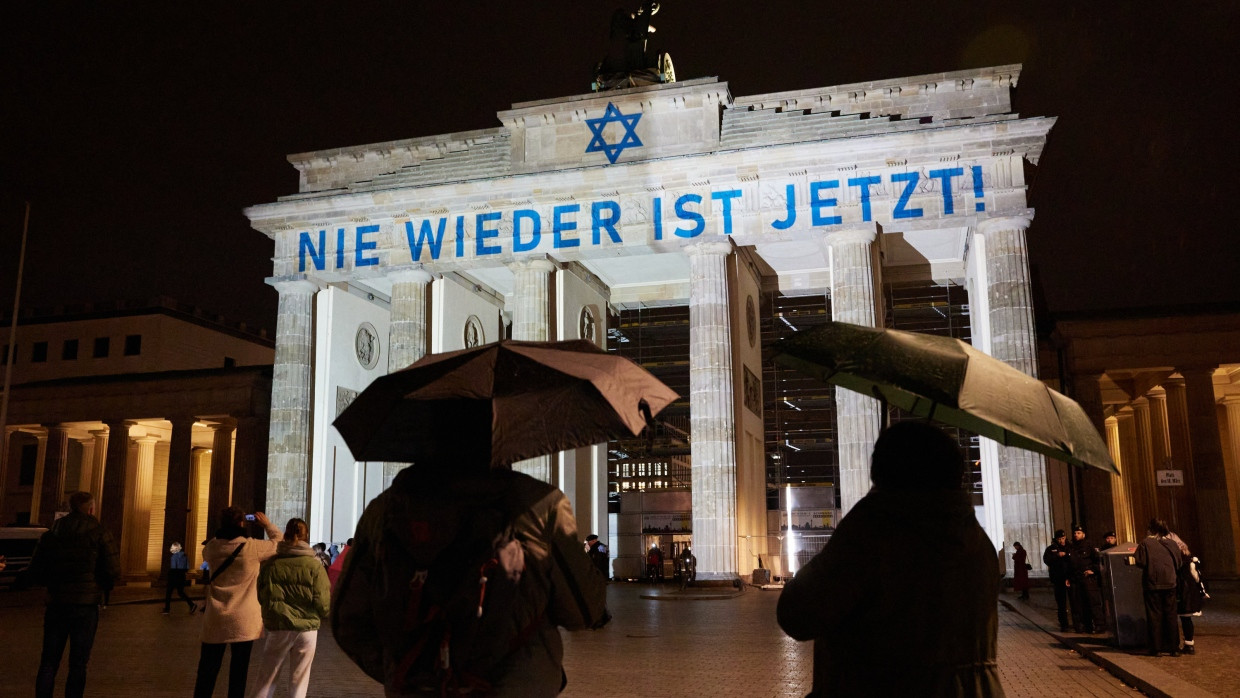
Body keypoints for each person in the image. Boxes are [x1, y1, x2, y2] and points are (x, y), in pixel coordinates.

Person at [333, 464, 609, 696]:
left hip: (417, 687)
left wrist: (405, 667)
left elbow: (346, 620)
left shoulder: (387, 509)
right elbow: (583, 610)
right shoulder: (539, 504)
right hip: (516, 686)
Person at [776, 422, 1004, 697]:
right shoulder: (980, 544)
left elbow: (797, 614)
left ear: (883, 470)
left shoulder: (873, 532)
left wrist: (859, 520)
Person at [28, 491, 120, 698]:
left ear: (70, 508)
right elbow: (113, 571)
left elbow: (35, 571)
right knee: (78, 663)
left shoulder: (51, 535)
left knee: (49, 661)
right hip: (85, 606)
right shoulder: (100, 533)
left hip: (57, 603)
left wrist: (54, 583)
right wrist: (99, 585)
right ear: (91, 509)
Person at [194, 507, 283, 698]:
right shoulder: (252, 547)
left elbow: (209, 550)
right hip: (243, 617)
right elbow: (279, 542)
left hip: (216, 616)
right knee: (239, 671)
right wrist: (267, 525)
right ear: (242, 523)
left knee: (207, 670)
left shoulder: (211, 548)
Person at [251, 518, 330, 698]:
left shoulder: (271, 564)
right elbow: (323, 603)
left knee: (267, 678)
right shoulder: (314, 567)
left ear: (285, 534)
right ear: (306, 536)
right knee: (299, 680)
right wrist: (321, 613)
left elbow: (261, 595)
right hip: (307, 628)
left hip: (278, 625)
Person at [1135, 518, 1182, 657]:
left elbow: (1140, 561)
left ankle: (1156, 648)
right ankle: (1173, 647)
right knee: (1171, 614)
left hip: (1153, 583)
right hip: (1170, 582)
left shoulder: (1146, 543)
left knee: (1155, 615)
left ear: (1150, 529)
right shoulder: (1172, 543)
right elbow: (1178, 563)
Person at [1166, 533, 1207, 655]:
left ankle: (1174, 644)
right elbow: (1196, 576)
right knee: (1186, 618)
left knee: (1173, 617)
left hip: (1179, 590)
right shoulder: (1189, 557)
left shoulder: (1174, 557)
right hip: (1189, 591)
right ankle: (1189, 644)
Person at [1066, 524, 1103, 633]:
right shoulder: (1071, 547)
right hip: (1076, 579)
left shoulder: (1089, 546)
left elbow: (1098, 561)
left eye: (1078, 533)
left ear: (1083, 534)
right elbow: (1068, 564)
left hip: (1088, 579)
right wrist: (1068, 577)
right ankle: (1085, 626)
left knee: (1093, 603)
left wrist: (1093, 570)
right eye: (1075, 533)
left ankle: (1099, 625)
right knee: (1079, 604)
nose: (1076, 535)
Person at [1043, 529, 1072, 631]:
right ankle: (1064, 624)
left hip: (1071, 578)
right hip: (1058, 579)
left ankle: (1079, 624)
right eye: (1059, 539)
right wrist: (1057, 556)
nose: (1061, 541)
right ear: (1056, 539)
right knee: (1061, 603)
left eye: (1063, 538)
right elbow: (1046, 560)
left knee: (1075, 602)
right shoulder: (1050, 549)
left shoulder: (1070, 547)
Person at [163, 541, 197, 614]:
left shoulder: (174, 557)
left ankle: (167, 609)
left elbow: (173, 568)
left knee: (169, 592)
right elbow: (187, 568)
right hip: (181, 576)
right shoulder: (185, 557)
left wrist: (169, 575)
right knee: (180, 592)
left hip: (174, 576)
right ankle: (191, 604)